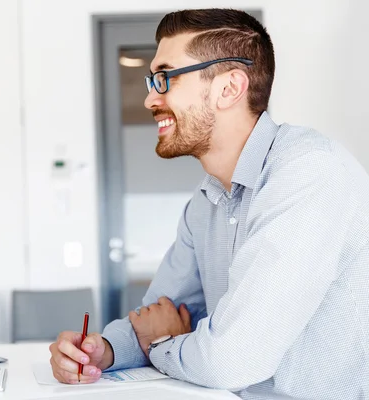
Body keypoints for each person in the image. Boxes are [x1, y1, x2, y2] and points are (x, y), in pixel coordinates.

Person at [49, 8, 369, 400]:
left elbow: (233, 360)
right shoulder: (206, 201)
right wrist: (105, 350)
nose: (150, 97)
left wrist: (161, 343)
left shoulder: (309, 174)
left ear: (229, 88)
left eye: (164, 78)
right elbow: (157, 315)